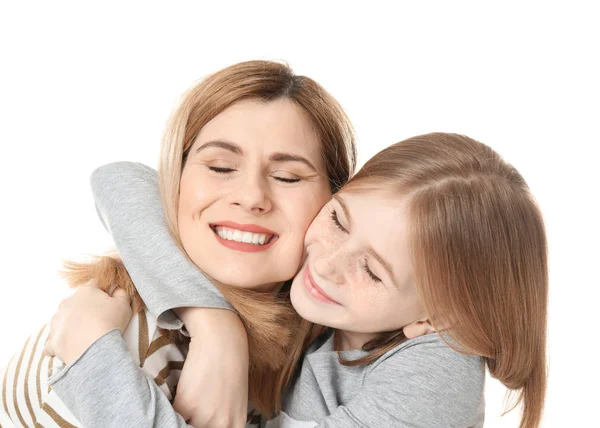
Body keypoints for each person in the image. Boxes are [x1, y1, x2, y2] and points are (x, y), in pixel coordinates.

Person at [48, 133, 546, 427]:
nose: (326, 263)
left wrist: (91, 349)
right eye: (337, 219)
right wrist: (216, 326)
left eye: (371, 269)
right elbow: (122, 179)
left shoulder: (436, 378)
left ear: (439, 315)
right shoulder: (328, 298)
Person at [0, 59, 356, 428]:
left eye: (287, 177)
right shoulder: (116, 336)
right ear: (176, 180)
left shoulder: (326, 333)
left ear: (336, 201)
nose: (251, 196)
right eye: (220, 167)